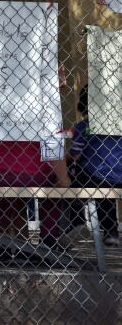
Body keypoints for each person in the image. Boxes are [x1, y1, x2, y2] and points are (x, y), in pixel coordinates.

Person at [0, 140, 70, 263]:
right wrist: (63, 180)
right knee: (52, 196)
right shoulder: (46, 120)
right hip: (35, 170)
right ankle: (48, 245)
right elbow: (54, 145)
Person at [65, 85, 121, 246]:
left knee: (72, 175)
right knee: (105, 187)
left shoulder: (83, 127)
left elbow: (75, 155)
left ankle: (77, 222)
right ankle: (111, 231)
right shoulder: (118, 124)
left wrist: (64, 161)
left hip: (96, 175)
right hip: (118, 173)